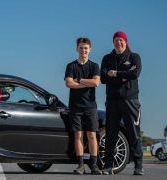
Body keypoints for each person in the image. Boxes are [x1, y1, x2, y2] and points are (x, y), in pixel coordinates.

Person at [100, 31, 143, 175]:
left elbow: (135, 74)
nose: (119, 43)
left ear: (126, 41)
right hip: (112, 102)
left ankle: (138, 166)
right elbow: (103, 78)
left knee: (134, 134)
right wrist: (124, 75)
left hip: (130, 101)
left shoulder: (134, 57)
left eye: (121, 40)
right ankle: (108, 166)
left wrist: (116, 73)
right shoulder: (107, 58)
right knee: (110, 135)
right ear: (113, 42)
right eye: (116, 40)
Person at [65, 37, 102, 175]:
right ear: (77, 49)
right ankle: (80, 165)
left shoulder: (94, 66)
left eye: (86, 48)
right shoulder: (71, 66)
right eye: (81, 48)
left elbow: (96, 83)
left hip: (90, 106)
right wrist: (87, 82)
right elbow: (69, 83)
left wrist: (79, 81)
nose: (83, 50)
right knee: (78, 135)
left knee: (92, 135)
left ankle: (94, 166)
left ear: (90, 50)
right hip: (75, 107)